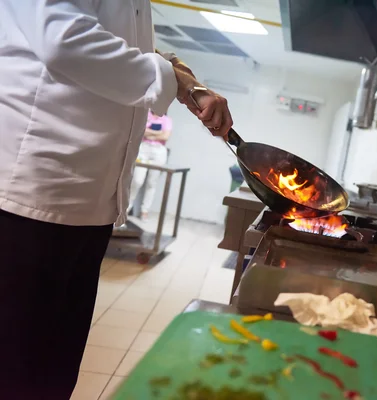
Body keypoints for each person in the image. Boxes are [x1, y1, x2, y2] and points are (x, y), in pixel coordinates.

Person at [0, 1, 233, 398]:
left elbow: (119, 45)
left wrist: (179, 76)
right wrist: (170, 78)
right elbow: (64, 39)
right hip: (32, 193)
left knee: (55, 364)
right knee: (17, 365)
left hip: (89, 201)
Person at [129, 110, 174, 220]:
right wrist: (158, 133)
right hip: (143, 149)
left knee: (151, 183)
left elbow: (165, 136)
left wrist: (150, 133)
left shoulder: (166, 119)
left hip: (159, 152)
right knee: (137, 181)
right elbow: (140, 131)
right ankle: (125, 209)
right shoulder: (146, 114)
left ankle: (145, 211)